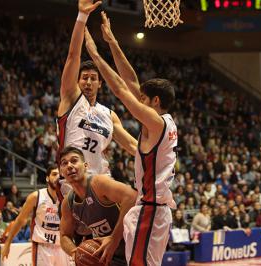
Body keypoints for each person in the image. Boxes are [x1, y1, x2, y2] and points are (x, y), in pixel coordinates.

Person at [84, 21, 178, 265]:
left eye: (144, 98)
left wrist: (95, 54)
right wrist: (112, 42)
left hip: (150, 209)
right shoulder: (162, 124)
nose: (139, 99)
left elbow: (121, 90)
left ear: (155, 101)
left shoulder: (157, 123)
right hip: (152, 209)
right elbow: (131, 81)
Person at [56, 0, 137, 198]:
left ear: (100, 83)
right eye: (85, 78)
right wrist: (82, 17)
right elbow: (73, 56)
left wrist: (161, 153)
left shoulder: (109, 115)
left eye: (94, 78)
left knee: (129, 202)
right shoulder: (70, 98)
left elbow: (133, 146)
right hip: (73, 181)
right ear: (77, 81)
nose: (89, 82)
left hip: (101, 180)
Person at [59, 146, 137, 265]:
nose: (69, 165)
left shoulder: (98, 183)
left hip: (134, 247)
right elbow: (64, 235)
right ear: (61, 171)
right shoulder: (68, 203)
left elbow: (131, 197)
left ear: (85, 166)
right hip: (110, 255)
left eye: (74, 161)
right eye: (64, 163)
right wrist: (76, 252)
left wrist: (113, 239)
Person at [2, 165, 72, 266]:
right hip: (42, 247)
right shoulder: (36, 196)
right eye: (54, 174)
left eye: (59, 175)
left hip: (63, 247)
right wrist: (8, 243)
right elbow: (20, 220)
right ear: (47, 178)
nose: (57, 177)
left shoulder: (68, 197)